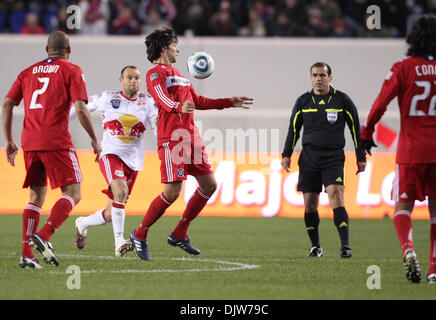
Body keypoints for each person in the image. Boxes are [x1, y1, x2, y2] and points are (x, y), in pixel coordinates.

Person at [129, 27, 253, 260]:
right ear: (165, 47)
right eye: (176, 45)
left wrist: (229, 101)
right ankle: (140, 233)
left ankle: (179, 233)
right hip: (172, 139)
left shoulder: (181, 75)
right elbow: (161, 98)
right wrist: (177, 106)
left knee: (209, 185)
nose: (178, 49)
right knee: (172, 192)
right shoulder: (155, 73)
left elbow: (198, 101)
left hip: (191, 139)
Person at [360, 16, 436, 284]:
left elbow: (380, 104)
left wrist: (367, 133)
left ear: (413, 40)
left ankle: (408, 248)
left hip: (412, 150)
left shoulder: (403, 67)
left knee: (403, 206)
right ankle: (435, 270)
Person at [2, 31, 101, 268]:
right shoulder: (71, 69)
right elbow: (80, 108)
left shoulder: (27, 72)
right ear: (69, 51)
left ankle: (26, 254)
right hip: (56, 140)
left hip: (30, 142)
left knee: (36, 196)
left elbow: (7, 103)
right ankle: (44, 236)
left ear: (46, 50)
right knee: (73, 193)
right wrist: (95, 140)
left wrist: (9, 140)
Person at [281, 62, 366, 259]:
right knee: (310, 203)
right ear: (311, 78)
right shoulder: (303, 101)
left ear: (330, 78)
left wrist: (360, 156)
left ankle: (345, 246)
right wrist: (286, 154)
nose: (318, 78)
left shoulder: (342, 100)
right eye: (315, 75)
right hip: (309, 158)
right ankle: (315, 246)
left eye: (322, 75)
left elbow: (355, 129)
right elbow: (293, 130)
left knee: (336, 194)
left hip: (333, 157)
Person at [71, 66, 158, 257]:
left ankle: (83, 223)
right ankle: (120, 243)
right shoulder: (108, 97)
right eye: (129, 77)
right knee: (121, 190)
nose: (133, 81)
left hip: (133, 162)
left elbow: (156, 125)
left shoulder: (148, 102)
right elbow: (80, 106)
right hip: (110, 154)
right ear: (121, 80)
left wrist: (165, 146)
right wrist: (59, 121)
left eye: (137, 78)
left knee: (111, 213)